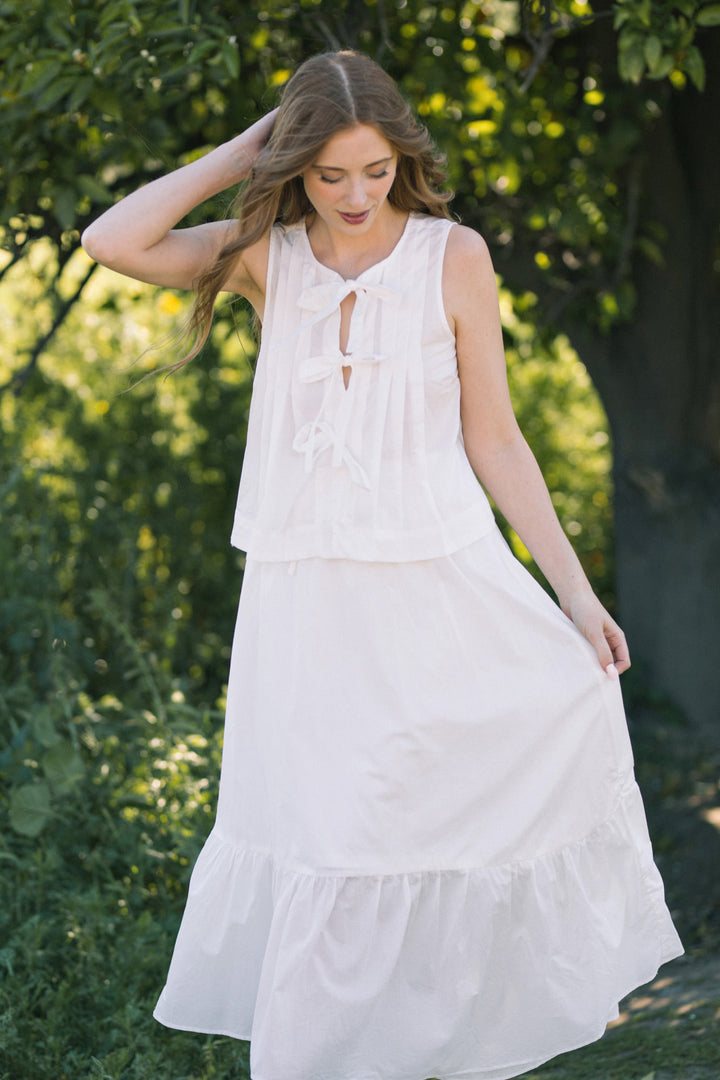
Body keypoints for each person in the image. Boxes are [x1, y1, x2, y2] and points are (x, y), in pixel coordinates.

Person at [82, 49, 682, 1080]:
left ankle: (438, 1050)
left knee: (424, 829)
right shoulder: (269, 255)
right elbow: (113, 241)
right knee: (330, 844)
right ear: (297, 168)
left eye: (374, 170)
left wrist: (576, 597)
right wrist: (243, 152)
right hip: (306, 605)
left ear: (402, 158)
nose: (356, 196)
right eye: (328, 174)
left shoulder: (454, 258)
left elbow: (495, 437)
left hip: (440, 588)